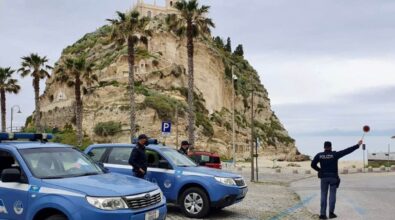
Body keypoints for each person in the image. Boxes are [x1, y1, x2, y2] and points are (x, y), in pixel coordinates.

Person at [311, 140, 363, 219]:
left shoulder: (319, 155)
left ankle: (322, 214)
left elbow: (312, 164)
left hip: (324, 178)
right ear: (331, 147)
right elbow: (347, 151)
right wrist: (357, 145)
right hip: (333, 178)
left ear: (324, 147)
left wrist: (319, 170)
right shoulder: (335, 154)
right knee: (332, 195)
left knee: (323, 195)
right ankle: (331, 213)